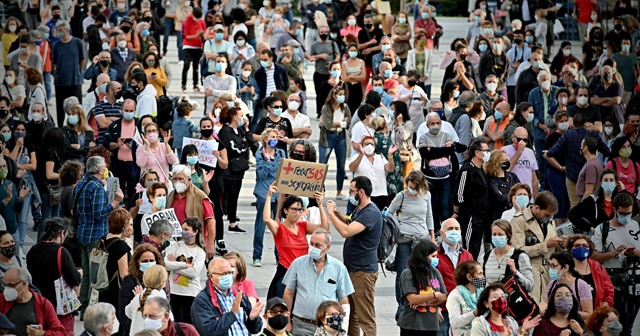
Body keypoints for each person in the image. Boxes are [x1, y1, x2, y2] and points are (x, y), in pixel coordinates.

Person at [325, 176, 382, 336]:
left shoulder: (371, 213)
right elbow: (349, 221)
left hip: (363, 272)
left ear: (361, 192)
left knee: (365, 317)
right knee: (352, 315)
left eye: (352, 191)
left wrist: (330, 213)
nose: (350, 194)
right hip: (353, 269)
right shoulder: (361, 210)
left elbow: (346, 231)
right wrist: (336, 212)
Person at [74, 156, 124, 315]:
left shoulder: (81, 183)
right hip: (93, 235)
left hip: (82, 232)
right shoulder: (95, 187)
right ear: (100, 169)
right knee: (94, 274)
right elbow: (99, 214)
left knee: (88, 272)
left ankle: (83, 307)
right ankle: (87, 309)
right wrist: (116, 201)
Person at [283, 229, 354, 335]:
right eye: (311, 244)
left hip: (328, 326)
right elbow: (288, 293)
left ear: (328, 247)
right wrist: (287, 321)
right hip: (302, 324)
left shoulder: (338, 268)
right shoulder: (298, 264)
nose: (313, 248)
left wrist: (342, 327)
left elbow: (343, 300)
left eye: (318, 245)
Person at [592, 192, 640, 332]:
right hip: (612, 284)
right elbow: (594, 256)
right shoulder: (603, 229)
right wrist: (612, 254)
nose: (626, 217)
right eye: (622, 213)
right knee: (612, 326)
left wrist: (636, 254)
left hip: (634, 283)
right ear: (614, 210)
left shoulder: (637, 226)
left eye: (629, 213)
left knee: (628, 326)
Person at [26, 218, 81, 335]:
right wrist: (79, 274)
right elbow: (74, 279)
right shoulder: (62, 252)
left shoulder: (33, 250)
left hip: (38, 303)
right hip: (59, 307)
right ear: (62, 233)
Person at [546, 113, 610, 208]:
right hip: (590, 174)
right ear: (584, 124)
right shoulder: (591, 134)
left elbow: (551, 152)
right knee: (592, 203)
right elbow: (606, 151)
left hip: (572, 175)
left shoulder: (568, 134)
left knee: (574, 205)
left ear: (573, 124)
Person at [511, 191, 563, 304]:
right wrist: (545, 245)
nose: (549, 218)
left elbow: (552, 249)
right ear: (537, 208)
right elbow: (517, 251)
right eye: (547, 215)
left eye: (551, 216)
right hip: (529, 270)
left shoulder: (550, 222)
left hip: (547, 271)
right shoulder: (520, 220)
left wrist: (560, 244)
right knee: (531, 306)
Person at [191, 258, 264, 335]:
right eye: (223, 274)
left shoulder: (239, 295)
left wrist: (253, 319)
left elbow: (256, 329)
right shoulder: (202, 300)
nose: (228, 276)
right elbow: (209, 331)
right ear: (211, 276)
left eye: (230, 273)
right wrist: (232, 314)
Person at [397, 240, 447, 335]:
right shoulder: (408, 273)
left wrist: (425, 303)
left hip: (431, 324)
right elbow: (413, 299)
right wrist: (434, 295)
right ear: (423, 257)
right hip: (412, 324)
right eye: (433, 256)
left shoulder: (435, 272)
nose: (436, 259)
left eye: (436, 256)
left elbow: (444, 296)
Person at [252, 128, 287, 266]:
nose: (275, 139)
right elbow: (262, 175)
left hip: (278, 193)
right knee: (261, 224)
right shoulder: (260, 154)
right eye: (272, 137)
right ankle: (257, 256)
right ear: (266, 139)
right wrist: (267, 161)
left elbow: (285, 170)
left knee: (278, 224)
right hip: (264, 192)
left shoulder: (281, 153)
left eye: (277, 137)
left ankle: (279, 257)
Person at [166, 165, 215, 259]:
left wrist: (210, 244)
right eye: (174, 179)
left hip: (195, 243)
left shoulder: (200, 196)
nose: (177, 182)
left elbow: (211, 221)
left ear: (189, 180)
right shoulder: (171, 196)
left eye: (180, 179)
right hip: (176, 243)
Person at [417, 111, 456, 229]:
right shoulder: (423, 137)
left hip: (444, 176)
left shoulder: (446, 135)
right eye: (432, 123)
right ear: (427, 125)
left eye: (438, 123)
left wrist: (432, 150)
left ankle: (446, 227)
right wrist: (442, 150)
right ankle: (434, 228)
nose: (435, 125)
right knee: (431, 204)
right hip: (429, 177)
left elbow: (450, 150)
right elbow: (425, 154)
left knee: (445, 204)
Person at [0, 267, 66, 336]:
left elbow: (61, 333)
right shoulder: (2, 300)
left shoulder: (43, 304)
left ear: (24, 284)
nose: (7, 289)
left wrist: (43, 333)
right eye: (5, 285)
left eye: (11, 285)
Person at [453, 138, 489, 259]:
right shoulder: (467, 170)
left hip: (481, 214)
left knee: (477, 246)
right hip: (470, 215)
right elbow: (458, 195)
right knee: (469, 248)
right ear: (477, 152)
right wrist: (459, 212)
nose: (488, 153)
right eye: (486, 150)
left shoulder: (481, 169)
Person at [218, 106, 252, 234]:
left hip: (239, 168)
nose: (243, 117)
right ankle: (231, 221)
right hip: (230, 169)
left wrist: (246, 130)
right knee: (230, 195)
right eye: (240, 115)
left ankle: (233, 219)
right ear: (234, 117)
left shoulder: (239, 130)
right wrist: (243, 144)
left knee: (235, 195)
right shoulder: (226, 131)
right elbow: (234, 148)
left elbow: (248, 141)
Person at [480, 219, 535, 291]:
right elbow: (480, 285)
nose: (497, 237)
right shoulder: (484, 257)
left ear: (508, 236)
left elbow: (530, 287)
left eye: (500, 235)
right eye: (494, 234)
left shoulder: (520, 256)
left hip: (511, 300)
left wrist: (516, 272)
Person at [318, 85, 351, 200]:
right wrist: (340, 123)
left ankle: (339, 192)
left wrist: (337, 123)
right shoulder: (326, 108)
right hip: (328, 137)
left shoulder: (345, 107)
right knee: (322, 166)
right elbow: (328, 126)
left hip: (341, 137)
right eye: (339, 95)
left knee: (341, 166)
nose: (342, 97)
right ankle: (320, 190)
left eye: (343, 94)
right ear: (334, 95)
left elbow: (349, 123)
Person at [567, 234, 616, 309]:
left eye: (585, 246)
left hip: (596, 314)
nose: (581, 248)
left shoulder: (598, 268)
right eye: (577, 245)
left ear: (589, 249)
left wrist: (606, 303)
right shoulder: (566, 268)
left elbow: (609, 290)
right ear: (571, 249)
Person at [471, 283, 541, 335]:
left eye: (503, 296)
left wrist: (523, 329)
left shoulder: (511, 321)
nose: (501, 299)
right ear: (486, 303)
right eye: (495, 297)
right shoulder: (479, 324)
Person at [348, 136, 397, 210]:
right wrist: (361, 154)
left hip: (380, 194)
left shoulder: (380, 157)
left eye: (371, 144)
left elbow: (390, 169)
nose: (369, 146)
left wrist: (390, 155)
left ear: (375, 146)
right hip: (363, 195)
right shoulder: (357, 157)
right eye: (366, 144)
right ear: (362, 145)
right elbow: (352, 168)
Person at [97, 208, 132, 309]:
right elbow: (124, 274)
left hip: (103, 287)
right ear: (123, 226)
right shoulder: (121, 246)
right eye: (129, 224)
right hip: (115, 291)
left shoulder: (102, 240)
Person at [52, 20, 85, 127]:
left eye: (60, 30)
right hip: (61, 81)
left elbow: (82, 60)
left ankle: (79, 126)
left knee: (77, 107)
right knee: (60, 109)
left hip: (75, 80)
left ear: (67, 30)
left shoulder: (78, 42)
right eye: (58, 30)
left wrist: (77, 71)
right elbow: (55, 62)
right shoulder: (56, 45)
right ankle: (61, 128)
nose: (59, 32)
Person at [542, 252, 594, 319]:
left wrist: (566, 313)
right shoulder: (552, 284)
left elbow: (589, 313)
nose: (551, 269)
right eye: (550, 266)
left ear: (566, 267)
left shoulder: (581, 285)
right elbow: (546, 304)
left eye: (554, 266)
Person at [125, 264, 168, 334]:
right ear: (163, 281)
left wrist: (137, 296)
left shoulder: (139, 297)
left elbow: (127, 312)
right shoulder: (161, 297)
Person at [446, 261, 485, 336]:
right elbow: (454, 322)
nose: (483, 277)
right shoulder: (455, 295)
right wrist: (475, 313)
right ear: (469, 277)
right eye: (480, 274)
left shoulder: (483, 292)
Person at [35, 128, 64, 221]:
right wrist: (64, 175)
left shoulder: (54, 152)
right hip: (48, 189)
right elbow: (49, 174)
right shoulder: (49, 153)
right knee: (47, 217)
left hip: (52, 189)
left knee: (54, 216)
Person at [503, 127, 539, 197]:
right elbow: (507, 169)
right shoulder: (505, 150)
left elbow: (534, 178)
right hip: (513, 194)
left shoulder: (530, 152)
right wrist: (519, 152)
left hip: (528, 194)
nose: (521, 143)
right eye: (519, 139)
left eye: (524, 140)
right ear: (513, 137)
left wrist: (535, 196)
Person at [486, 150, 520, 223]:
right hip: (496, 216)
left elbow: (520, 192)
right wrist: (513, 196)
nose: (507, 162)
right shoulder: (490, 179)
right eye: (504, 160)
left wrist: (504, 195)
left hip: (513, 214)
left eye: (507, 160)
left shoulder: (512, 176)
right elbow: (498, 197)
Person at [181, 7, 205, 93]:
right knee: (186, 64)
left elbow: (203, 33)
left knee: (196, 66)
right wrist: (196, 35)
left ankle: (195, 84)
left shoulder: (201, 21)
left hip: (198, 46)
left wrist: (202, 35)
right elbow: (185, 36)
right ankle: (183, 85)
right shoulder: (186, 21)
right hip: (188, 46)